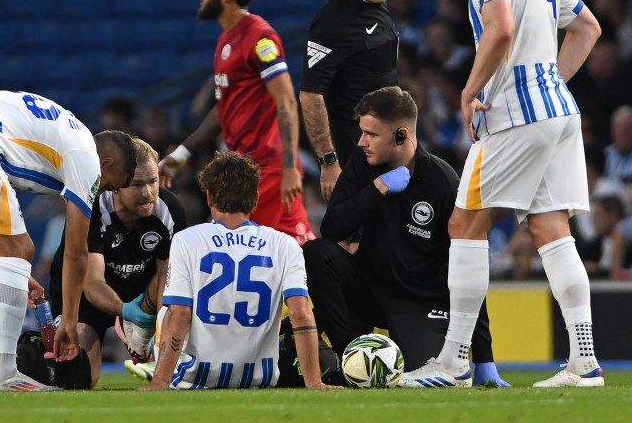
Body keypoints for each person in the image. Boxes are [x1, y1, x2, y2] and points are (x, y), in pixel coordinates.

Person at [400, 0, 604, 388]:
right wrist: (548, 82)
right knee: (550, 230)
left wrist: (470, 89)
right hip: (558, 112)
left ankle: (452, 362)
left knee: (464, 225)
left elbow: (500, 28)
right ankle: (585, 361)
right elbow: (587, 28)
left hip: (514, 118)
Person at [0, 90, 137, 392]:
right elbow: (76, 252)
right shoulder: (88, 160)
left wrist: (15, 274)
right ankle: (4, 373)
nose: (104, 191)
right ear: (106, 162)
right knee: (22, 249)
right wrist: (68, 320)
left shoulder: (69, 135)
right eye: (110, 184)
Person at [303, 86, 507, 387]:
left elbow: (468, 267)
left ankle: (440, 359)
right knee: (317, 253)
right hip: (369, 288)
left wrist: (485, 358)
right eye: (362, 132)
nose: (361, 142)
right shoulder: (363, 164)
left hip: (419, 301)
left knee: (424, 374)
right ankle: (352, 360)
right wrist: (378, 188)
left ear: (401, 135)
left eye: (371, 134)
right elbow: (332, 229)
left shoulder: (443, 183)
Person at [142, 152, 337, 390]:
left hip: (195, 378)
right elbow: (301, 314)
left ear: (209, 197)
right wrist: (315, 383)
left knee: (169, 308)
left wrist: (160, 383)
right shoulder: (285, 244)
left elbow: (179, 315)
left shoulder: (187, 240)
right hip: (259, 379)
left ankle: (152, 362)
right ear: (255, 198)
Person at [159, 0, 312, 245]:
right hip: (247, 170)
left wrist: (290, 168)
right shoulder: (225, 41)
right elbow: (223, 109)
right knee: (295, 246)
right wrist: (181, 154)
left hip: (267, 170)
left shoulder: (260, 38)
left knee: (236, 250)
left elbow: (287, 102)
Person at [46, 138, 187, 387]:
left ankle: (142, 338)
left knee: (173, 272)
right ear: (117, 185)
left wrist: (152, 325)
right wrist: (125, 311)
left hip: (140, 295)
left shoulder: (170, 210)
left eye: (153, 181)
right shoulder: (91, 208)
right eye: (137, 184)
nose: (148, 193)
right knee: (79, 380)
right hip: (82, 297)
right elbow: (91, 283)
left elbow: (170, 277)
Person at [299, 0, 400, 202]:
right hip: (356, 155)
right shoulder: (332, 22)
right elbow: (310, 93)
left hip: (389, 146)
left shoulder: (378, 1)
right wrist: (329, 162)